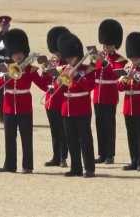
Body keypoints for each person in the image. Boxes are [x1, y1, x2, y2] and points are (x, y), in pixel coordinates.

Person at [0, 29, 48, 174]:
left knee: (26, 137)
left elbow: (43, 86)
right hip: (9, 106)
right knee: (9, 138)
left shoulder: (30, 69)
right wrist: (6, 76)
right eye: (15, 53)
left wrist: (46, 71)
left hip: (24, 106)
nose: (17, 56)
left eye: (20, 53)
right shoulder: (6, 67)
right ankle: (10, 165)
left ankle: (28, 165)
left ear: (24, 53)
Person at [56, 33, 96, 177]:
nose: (70, 60)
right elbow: (60, 88)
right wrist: (60, 81)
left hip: (82, 107)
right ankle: (76, 168)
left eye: (72, 57)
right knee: (71, 140)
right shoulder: (64, 69)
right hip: (67, 108)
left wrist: (77, 76)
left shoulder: (87, 70)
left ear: (78, 56)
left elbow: (89, 86)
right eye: (68, 57)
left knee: (85, 140)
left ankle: (90, 168)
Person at [93, 19, 127, 164]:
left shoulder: (119, 59)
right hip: (97, 95)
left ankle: (110, 154)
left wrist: (105, 62)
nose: (106, 47)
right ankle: (102, 153)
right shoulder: (99, 57)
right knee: (99, 124)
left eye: (109, 45)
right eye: (105, 44)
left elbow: (116, 72)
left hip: (109, 95)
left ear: (115, 45)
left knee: (109, 125)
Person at [118, 32, 140, 171]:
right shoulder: (127, 68)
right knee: (131, 134)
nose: (133, 60)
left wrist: (136, 79)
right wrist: (127, 78)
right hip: (128, 106)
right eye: (132, 58)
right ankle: (134, 160)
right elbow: (119, 87)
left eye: (135, 58)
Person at [41, 26, 70, 168]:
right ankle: (56, 156)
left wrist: (55, 73)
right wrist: (45, 72)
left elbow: (66, 82)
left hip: (61, 100)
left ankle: (63, 156)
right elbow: (45, 83)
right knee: (54, 130)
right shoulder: (53, 61)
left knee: (63, 131)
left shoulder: (67, 64)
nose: (57, 54)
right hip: (50, 100)